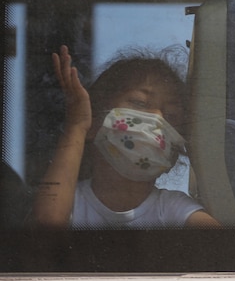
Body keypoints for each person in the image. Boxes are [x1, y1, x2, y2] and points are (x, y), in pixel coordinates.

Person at [31, 45, 219, 229]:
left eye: (170, 116)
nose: (157, 119)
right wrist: (77, 126)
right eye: (140, 102)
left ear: (173, 153)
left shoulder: (173, 208)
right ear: (95, 123)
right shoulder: (68, 201)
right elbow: (47, 226)